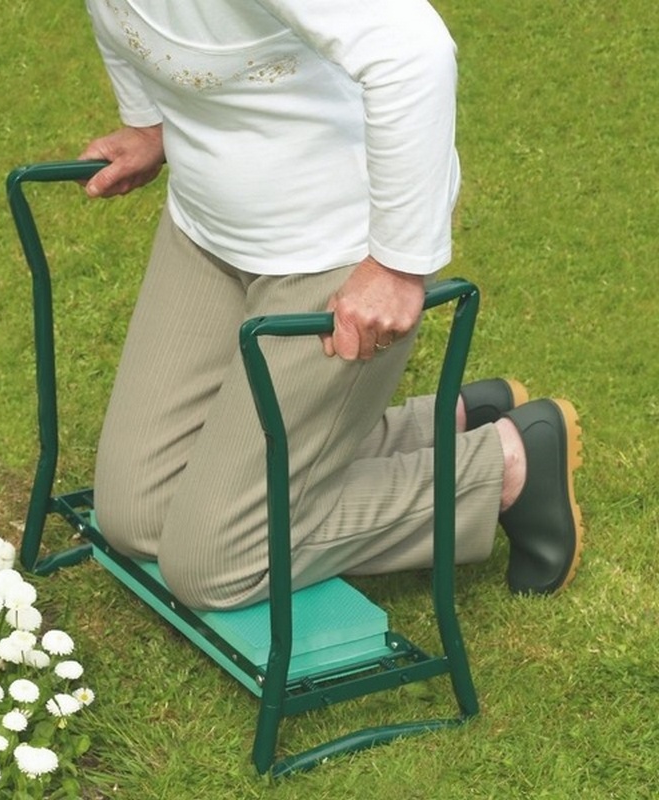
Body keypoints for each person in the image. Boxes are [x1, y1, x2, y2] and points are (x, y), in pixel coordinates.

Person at [79, 0, 583, 610]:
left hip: (335, 249)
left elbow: (411, 52)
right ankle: (440, 423)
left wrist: (395, 264)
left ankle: (500, 466)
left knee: (214, 564)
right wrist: (150, 122)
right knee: (137, 511)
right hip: (207, 229)